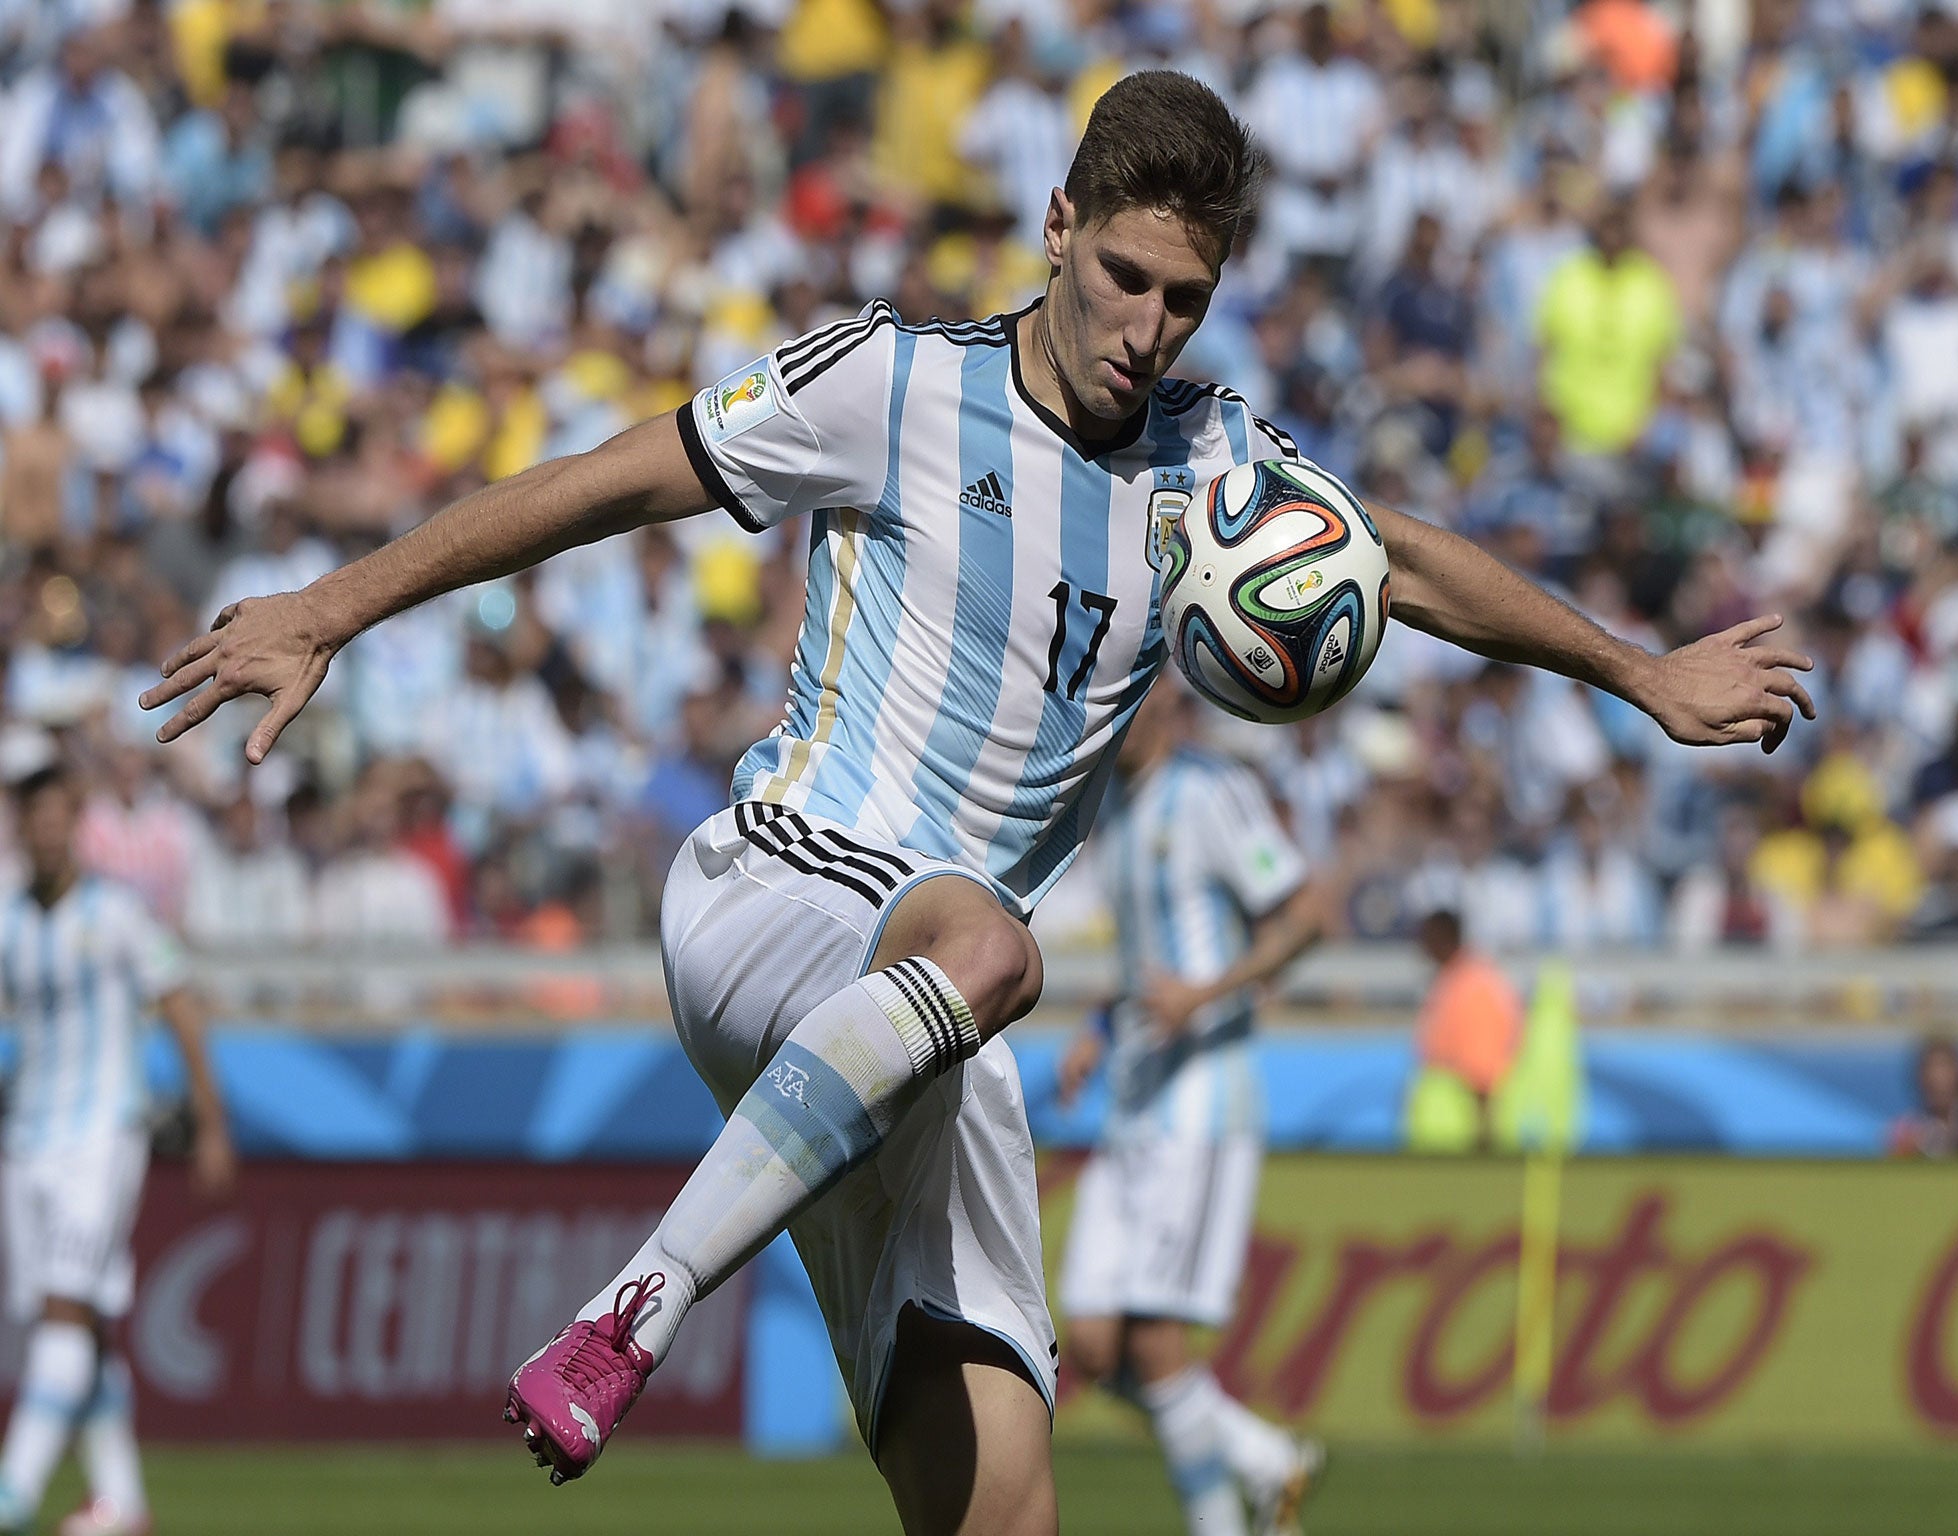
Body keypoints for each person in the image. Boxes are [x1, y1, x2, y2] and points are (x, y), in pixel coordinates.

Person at [140, 71, 1814, 1535]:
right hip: (777, 892)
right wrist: (328, 607)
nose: (1144, 327)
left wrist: (1634, 672)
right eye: (1122, 276)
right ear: (1054, 223)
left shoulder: (1203, 462)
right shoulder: (892, 384)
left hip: (927, 1031)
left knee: (1003, 1500)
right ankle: (639, 1301)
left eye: (1185, 299)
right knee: (993, 942)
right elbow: (600, 482)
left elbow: (1410, 565)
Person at [1054, 681, 1329, 1536]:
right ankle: (1264, 1459)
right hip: (1134, 1098)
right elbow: (1148, 958)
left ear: (1164, 699)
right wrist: (1105, 1022)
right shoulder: (1120, 812)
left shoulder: (1213, 791)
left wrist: (1205, 995)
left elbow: (1305, 915)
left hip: (1202, 1101)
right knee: (1092, 1347)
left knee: (1158, 1345)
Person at [0, 755, 235, 1536]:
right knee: (69, 1319)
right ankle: (122, 1503)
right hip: (25, 1140)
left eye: (57, 817)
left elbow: (180, 1004)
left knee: (65, 1308)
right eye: (32, 818)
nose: (44, 832)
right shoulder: (10, 922)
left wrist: (210, 1119)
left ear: (75, 827)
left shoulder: (118, 914)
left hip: (102, 1135)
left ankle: (14, 1491)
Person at [1405, 909, 1523, 1153]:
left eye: (1426, 938)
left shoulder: (1472, 988)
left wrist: (1483, 1138)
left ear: (1443, 937)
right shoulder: (1454, 981)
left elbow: (1483, 1071)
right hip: (1448, 1130)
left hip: (1459, 1133)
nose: (1422, 949)